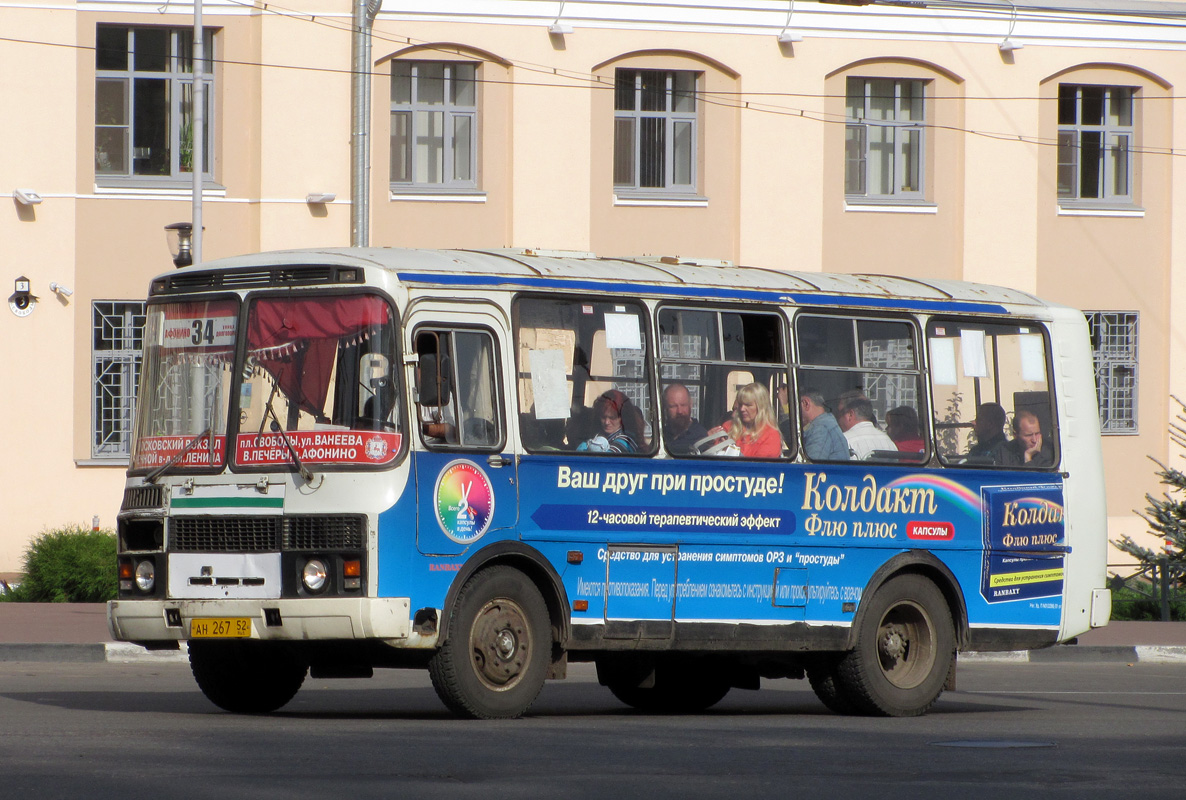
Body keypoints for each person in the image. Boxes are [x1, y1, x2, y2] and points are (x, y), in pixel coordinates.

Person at [709, 382, 782, 458]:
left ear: (761, 407)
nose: (742, 409)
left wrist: (731, 451)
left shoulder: (771, 435)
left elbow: (760, 467)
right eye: (740, 404)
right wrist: (709, 441)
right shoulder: (728, 427)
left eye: (748, 405)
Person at [835, 391, 896, 460]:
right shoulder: (888, 442)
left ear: (850, 414)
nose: (837, 419)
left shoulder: (844, 441)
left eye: (839, 414)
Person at [799, 388, 850, 460]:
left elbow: (810, 466)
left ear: (805, 403)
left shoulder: (821, 428)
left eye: (796, 406)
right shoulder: (826, 423)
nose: (795, 414)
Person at [662, 382, 708, 454]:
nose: (679, 411)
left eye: (683, 405)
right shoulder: (661, 434)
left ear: (690, 405)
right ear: (665, 407)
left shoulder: (700, 436)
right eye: (673, 406)